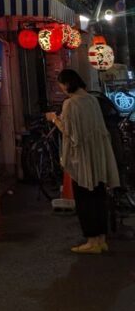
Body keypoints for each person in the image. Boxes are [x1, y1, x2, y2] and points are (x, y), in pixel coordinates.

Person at [47, 68, 120, 254]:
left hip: (82, 158)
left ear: (68, 84)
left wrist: (55, 119)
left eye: (62, 85)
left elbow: (70, 133)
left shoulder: (71, 104)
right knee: (98, 196)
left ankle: (91, 240)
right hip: (98, 155)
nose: (62, 89)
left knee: (85, 199)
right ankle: (101, 239)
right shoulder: (92, 100)